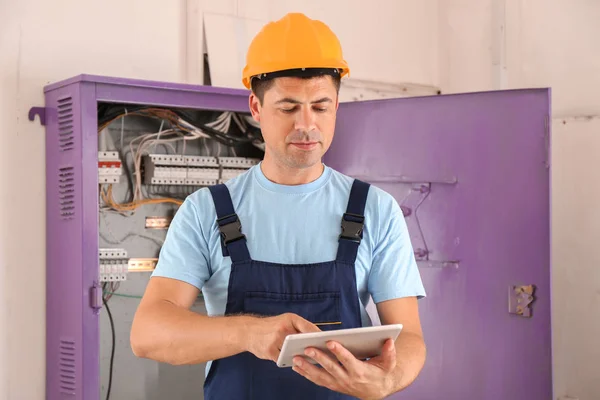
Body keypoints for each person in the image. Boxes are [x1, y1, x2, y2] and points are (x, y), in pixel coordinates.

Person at [130, 12, 427, 400]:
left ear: (337, 104)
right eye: (288, 108)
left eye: (321, 107)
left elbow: (411, 341)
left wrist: (387, 379)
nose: (307, 124)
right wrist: (252, 333)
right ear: (255, 107)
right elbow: (147, 334)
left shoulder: (376, 210)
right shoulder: (206, 211)